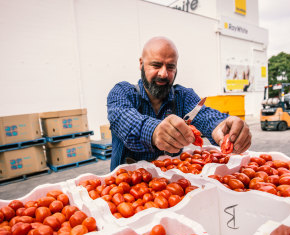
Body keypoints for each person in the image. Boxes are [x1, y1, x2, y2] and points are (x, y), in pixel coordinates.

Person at [107, 36, 252, 170]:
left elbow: (204, 115)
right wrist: (155, 131)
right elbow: (125, 120)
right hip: (125, 185)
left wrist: (222, 127)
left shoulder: (183, 96)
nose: (163, 74)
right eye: (156, 65)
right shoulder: (122, 92)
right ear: (141, 63)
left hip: (170, 188)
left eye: (170, 67)